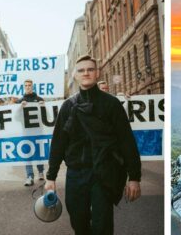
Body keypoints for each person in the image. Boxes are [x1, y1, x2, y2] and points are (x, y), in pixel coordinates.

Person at [45, 56, 142, 234]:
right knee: (78, 221)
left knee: (102, 225)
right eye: (81, 70)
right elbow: (58, 143)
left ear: (97, 73)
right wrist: (51, 177)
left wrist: (134, 177)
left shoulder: (111, 104)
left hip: (104, 172)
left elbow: (126, 141)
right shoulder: (68, 106)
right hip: (76, 173)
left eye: (90, 69)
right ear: (75, 75)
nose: (86, 73)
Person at [19, 79, 46, 186]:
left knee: (38, 152)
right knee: (27, 154)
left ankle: (40, 171)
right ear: (24, 87)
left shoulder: (39, 99)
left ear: (32, 86)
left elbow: (45, 116)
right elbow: (15, 117)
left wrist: (43, 106)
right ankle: (29, 176)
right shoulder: (20, 101)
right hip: (26, 132)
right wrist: (20, 107)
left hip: (38, 131)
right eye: (26, 85)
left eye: (29, 85)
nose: (28, 87)